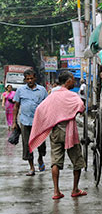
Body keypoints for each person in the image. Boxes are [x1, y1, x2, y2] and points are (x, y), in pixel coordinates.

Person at [29, 71, 86, 200]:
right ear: (68, 81)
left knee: (55, 161)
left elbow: (40, 109)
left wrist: (49, 121)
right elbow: (81, 107)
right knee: (77, 160)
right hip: (70, 131)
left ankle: (56, 191)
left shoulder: (52, 96)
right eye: (72, 79)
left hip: (55, 131)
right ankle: (75, 189)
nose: (74, 81)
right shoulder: (72, 95)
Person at [12, 69, 48, 176]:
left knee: (41, 144)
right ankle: (31, 167)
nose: (30, 80)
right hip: (25, 121)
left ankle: (40, 158)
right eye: (27, 79)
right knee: (27, 144)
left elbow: (47, 106)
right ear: (25, 80)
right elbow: (16, 106)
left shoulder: (42, 90)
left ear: (35, 78)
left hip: (39, 122)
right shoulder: (20, 90)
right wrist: (14, 121)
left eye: (31, 78)